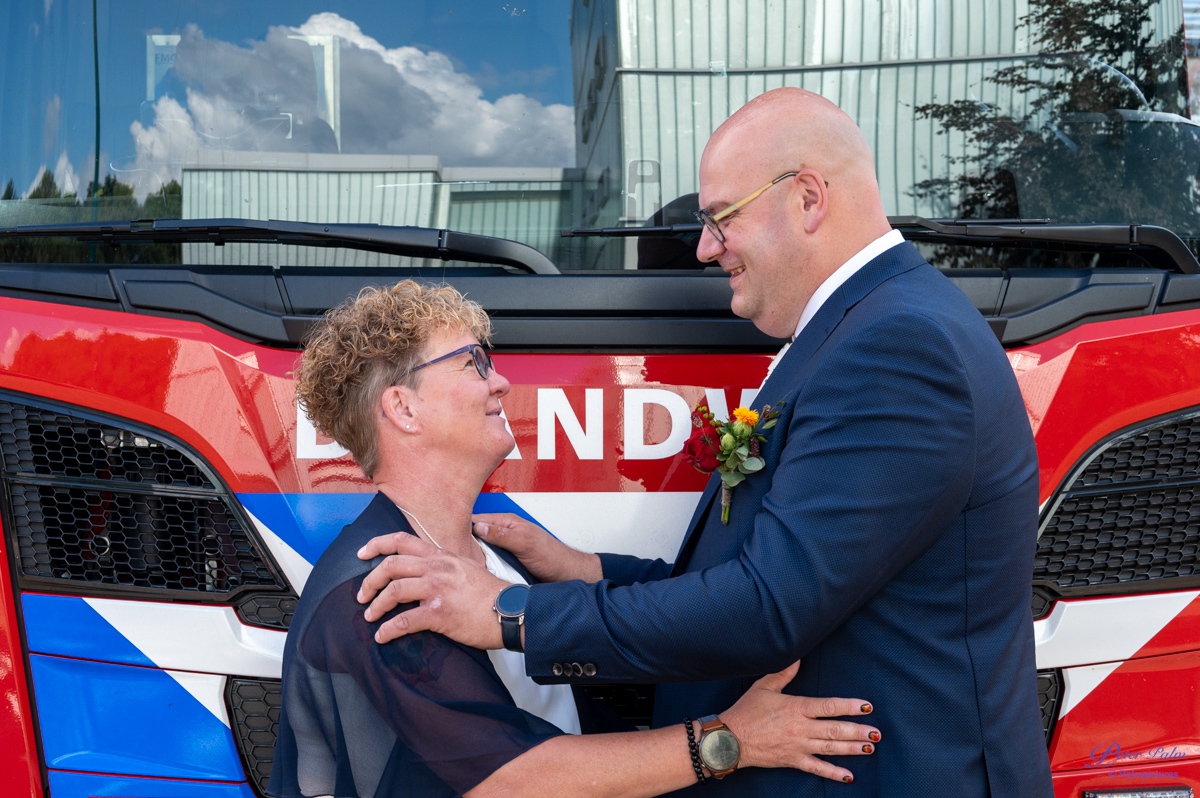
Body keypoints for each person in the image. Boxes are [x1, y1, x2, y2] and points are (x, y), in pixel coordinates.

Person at [355, 88, 1054, 795]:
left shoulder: (897, 345)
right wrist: (586, 569)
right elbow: (770, 569)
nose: (704, 247)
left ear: (808, 198)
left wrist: (508, 614)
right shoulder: (865, 326)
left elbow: (766, 607)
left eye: (722, 217)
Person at [268, 280, 883, 798]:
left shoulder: (491, 563)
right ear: (404, 409)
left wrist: (580, 567)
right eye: (473, 363)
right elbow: (513, 779)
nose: (500, 382)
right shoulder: (378, 587)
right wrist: (732, 741)